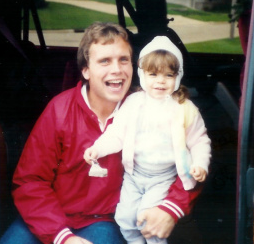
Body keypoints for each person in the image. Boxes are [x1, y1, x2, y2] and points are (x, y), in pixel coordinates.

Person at [0, 23, 203, 244]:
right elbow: (30, 181)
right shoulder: (59, 111)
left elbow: (189, 165)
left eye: (124, 60)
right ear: (85, 70)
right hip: (49, 217)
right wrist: (62, 237)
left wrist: (170, 209)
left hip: (105, 221)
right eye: (104, 61)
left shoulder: (150, 107)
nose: (116, 69)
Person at [84, 36, 211, 244]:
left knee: (147, 219)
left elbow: (199, 141)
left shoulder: (184, 108)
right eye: (153, 74)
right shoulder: (134, 103)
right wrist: (98, 149)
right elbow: (117, 133)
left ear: (177, 77)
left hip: (162, 178)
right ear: (142, 75)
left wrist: (199, 164)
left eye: (168, 75)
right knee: (124, 218)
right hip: (134, 176)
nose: (160, 81)